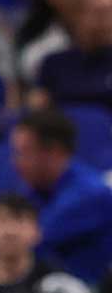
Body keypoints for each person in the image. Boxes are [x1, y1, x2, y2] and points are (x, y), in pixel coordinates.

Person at [11, 108, 112, 283]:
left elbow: (21, 243)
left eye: (24, 152)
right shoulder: (34, 189)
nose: (15, 162)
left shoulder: (90, 195)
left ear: (54, 152)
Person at [36, 0, 112, 111]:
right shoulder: (54, 64)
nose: (106, 21)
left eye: (110, 12)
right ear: (77, 17)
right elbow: (37, 110)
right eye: (99, 13)